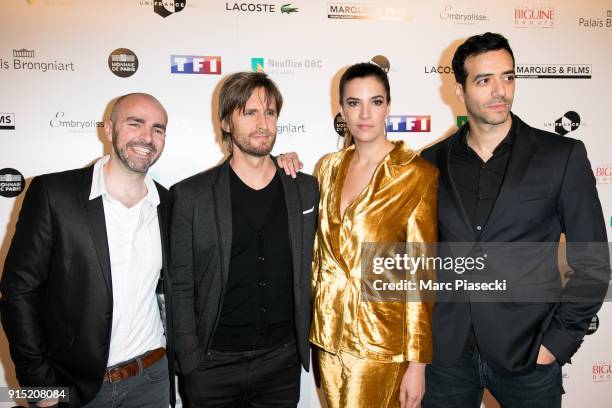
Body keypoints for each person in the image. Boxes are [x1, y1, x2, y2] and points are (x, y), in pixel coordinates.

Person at [420, 32, 609, 407]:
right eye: (484, 80)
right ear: (459, 91)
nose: (500, 90)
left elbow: (593, 263)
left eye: (508, 77)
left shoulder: (561, 156)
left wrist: (555, 344)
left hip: (529, 354)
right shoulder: (430, 162)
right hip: (447, 356)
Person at [0, 93, 175, 407]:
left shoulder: (168, 204)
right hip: (75, 388)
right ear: (108, 130)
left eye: (158, 129)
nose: (147, 137)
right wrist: (38, 387)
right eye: (135, 123)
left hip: (152, 380)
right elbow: (18, 293)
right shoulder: (54, 194)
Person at [170, 71, 318, 407]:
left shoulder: (304, 189)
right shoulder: (191, 196)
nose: (262, 123)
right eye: (249, 112)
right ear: (225, 122)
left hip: (281, 363)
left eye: (270, 112)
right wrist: (190, 362)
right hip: (212, 365)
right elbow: (179, 286)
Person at [308, 62, 438, 408]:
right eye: (354, 103)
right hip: (327, 336)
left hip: (379, 342)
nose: (365, 113)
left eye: (375, 102)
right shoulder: (327, 168)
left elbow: (420, 275)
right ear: (341, 110)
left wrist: (417, 363)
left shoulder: (416, 174)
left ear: (388, 107)